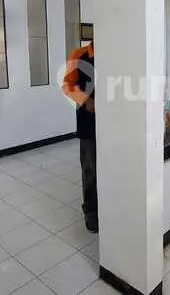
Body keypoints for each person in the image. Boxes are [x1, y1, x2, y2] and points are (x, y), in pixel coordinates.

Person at [62, 41, 97, 233]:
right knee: (91, 169)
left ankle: (111, 209)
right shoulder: (80, 54)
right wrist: (86, 100)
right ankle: (91, 213)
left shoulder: (115, 51)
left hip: (114, 122)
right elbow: (67, 86)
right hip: (89, 120)